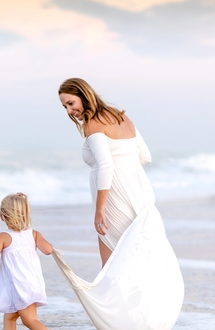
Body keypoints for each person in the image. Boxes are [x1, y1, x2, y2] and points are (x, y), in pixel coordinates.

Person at [58, 78, 155, 267]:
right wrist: (126, 176)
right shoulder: (122, 117)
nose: (69, 111)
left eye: (71, 103)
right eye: (65, 107)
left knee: (111, 266)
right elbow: (145, 156)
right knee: (136, 260)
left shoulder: (93, 124)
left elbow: (106, 165)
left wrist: (100, 209)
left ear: (84, 96)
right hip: (139, 194)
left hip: (113, 199)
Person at [0, 192, 62, 330]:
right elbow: (48, 250)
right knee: (10, 318)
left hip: (21, 286)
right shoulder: (33, 234)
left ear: (2, 216)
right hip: (25, 285)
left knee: (29, 320)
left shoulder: (3, 237)